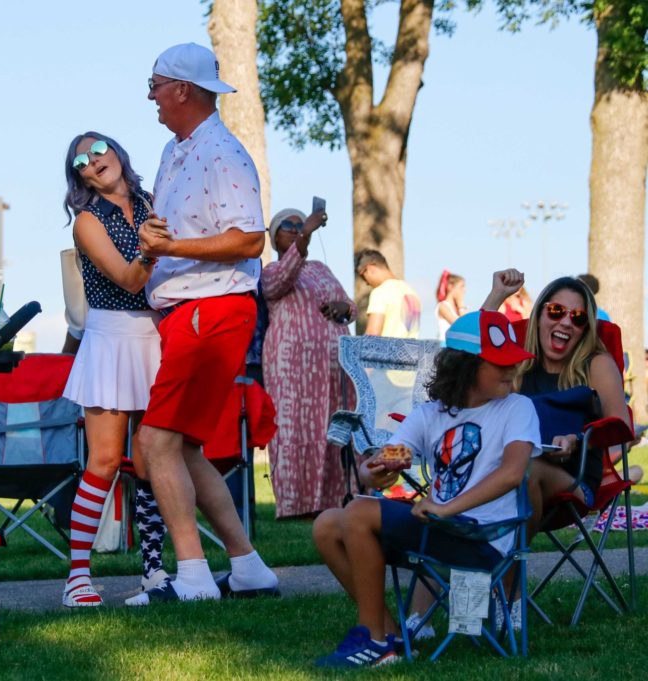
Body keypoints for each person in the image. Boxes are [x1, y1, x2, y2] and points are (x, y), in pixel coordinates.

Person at [128, 42, 278, 605]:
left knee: (156, 440)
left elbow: (249, 239)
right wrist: (157, 247)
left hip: (209, 310)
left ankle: (190, 576)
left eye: (156, 84)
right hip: (190, 311)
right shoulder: (177, 150)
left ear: (183, 90)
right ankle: (248, 567)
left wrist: (171, 246)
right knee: (186, 445)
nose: (151, 96)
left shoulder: (223, 153)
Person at [312, 310, 541, 668]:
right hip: (442, 529)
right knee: (327, 525)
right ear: (466, 367)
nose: (512, 369)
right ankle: (389, 634)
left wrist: (449, 507)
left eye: (514, 361)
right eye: (500, 363)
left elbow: (513, 473)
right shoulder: (431, 414)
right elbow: (385, 459)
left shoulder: (517, 408)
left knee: (357, 513)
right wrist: (376, 470)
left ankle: (374, 640)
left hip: (485, 538)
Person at [59, 131, 168, 607]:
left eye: (98, 149)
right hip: (110, 336)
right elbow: (126, 277)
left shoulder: (151, 201)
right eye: (80, 159)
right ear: (79, 175)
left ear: (118, 153)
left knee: (152, 459)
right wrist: (152, 249)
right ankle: (77, 576)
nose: (92, 160)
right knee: (103, 461)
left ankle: (154, 570)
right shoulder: (86, 221)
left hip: (157, 334)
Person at [482, 270, 631, 535]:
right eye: (556, 311)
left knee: (522, 471)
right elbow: (469, 362)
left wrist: (577, 440)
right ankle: (454, 568)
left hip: (574, 479)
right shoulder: (519, 366)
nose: (565, 322)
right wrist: (497, 297)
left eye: (577, 318)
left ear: (585, 329)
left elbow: (621, 431)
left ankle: (505, 572)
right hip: (507, 469)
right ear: (539, 316)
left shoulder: (597, 365)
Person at [261, 208, 355, 518]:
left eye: (299, 224)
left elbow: (349, 306)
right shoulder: (271, 270)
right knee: (296, 429)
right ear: (274, 237)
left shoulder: (321, 268)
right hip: (292, 367)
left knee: (334, 427)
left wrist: (344, 307)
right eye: (288, 226)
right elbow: (281, 283)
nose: (295, 229)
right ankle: (296, 505)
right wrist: (307, 234)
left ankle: (337, 498)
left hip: (333, 364)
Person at [354, 249, 421, 338]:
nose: (366, 283)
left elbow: (373, 335)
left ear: (370, 268)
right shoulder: (412, 292)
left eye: (363, 277)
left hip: (388, 351)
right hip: (412, 350)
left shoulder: (380, 292)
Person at [434, 270, 466, 342]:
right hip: (445, 346)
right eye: (461, 287)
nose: (464, 290)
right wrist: (460, 304)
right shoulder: (443, 306)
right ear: (451, 287)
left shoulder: (458, 309)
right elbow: (461, 326)